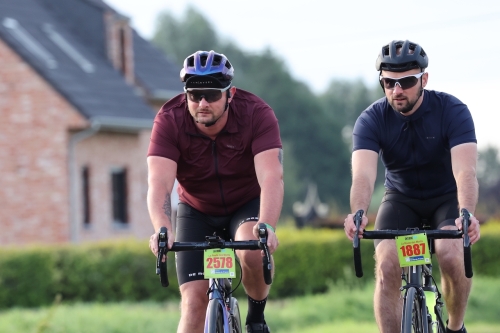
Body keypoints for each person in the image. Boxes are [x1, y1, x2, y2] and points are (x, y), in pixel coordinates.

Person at [343, 40, 480, 333]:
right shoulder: (371, 119)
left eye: (406, 81)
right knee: (387, 265)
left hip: (445, 199)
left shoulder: (452, 110)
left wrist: (467, 211)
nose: (397, 90)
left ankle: (455, 327)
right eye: (388, 83)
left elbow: (465, 171)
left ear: (424, 79)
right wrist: (358, 212)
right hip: (400, 200)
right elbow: (363, 177)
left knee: (450, 254)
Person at [147, 50, 283, 333]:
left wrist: (267, 225)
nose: (203, 103)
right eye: (195, 96)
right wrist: (162, 228)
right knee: (193, 305)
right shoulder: (169, 120)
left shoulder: (257, 114)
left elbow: (272, 177)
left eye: (211, 94)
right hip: (196, 209)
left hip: (245, 203)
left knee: (252, 249)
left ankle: (256, 318)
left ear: (230, 93)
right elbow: (159, 183)